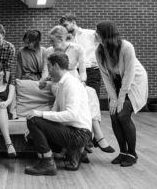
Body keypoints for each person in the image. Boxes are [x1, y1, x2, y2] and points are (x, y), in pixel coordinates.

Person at [44, 25, 115, 156]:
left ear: (61, 39)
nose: (50, 44)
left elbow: (82, 72)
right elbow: (46, 72)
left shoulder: (77, 49)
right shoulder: (49, 51)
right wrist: (43, 80)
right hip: (59, 84)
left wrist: (82, 83)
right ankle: (92, 139)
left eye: (52, 41)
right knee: (83, 96)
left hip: (76, 82)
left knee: (91, 93)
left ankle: (95, 136)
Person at [24, 52, 92, 176]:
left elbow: (72, 114)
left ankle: (48, 164)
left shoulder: (71, 84)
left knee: (33, 120)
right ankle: (73, 151)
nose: (48, 71)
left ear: (55, 66)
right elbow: (54, 112)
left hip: (80, 133)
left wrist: (39, 114)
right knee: (31, 135)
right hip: (71, 130)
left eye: (49, 66)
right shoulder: (61, 84)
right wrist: (34, 127)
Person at [95, 21, 148, 167]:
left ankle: (132, 153)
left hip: (135, 81)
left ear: (106, 34)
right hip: (117, 82)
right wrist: (112, 98)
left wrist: (121, 98)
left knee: (123, 114)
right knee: (113, 114)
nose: (95, 34)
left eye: (97, 31)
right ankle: (123, 152)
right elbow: (106, 77)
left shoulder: (126, 47)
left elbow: (129, 74)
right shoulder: (99, 51)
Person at [59, 13, 102, 96]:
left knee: (93, 98)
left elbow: (105, 47)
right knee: (77, 99)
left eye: (65, 25)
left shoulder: (90, 34)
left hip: (91, 71)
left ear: (73, 22)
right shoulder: (65, 40)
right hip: (74, 72)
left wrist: (101, 63)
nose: (64, 28)